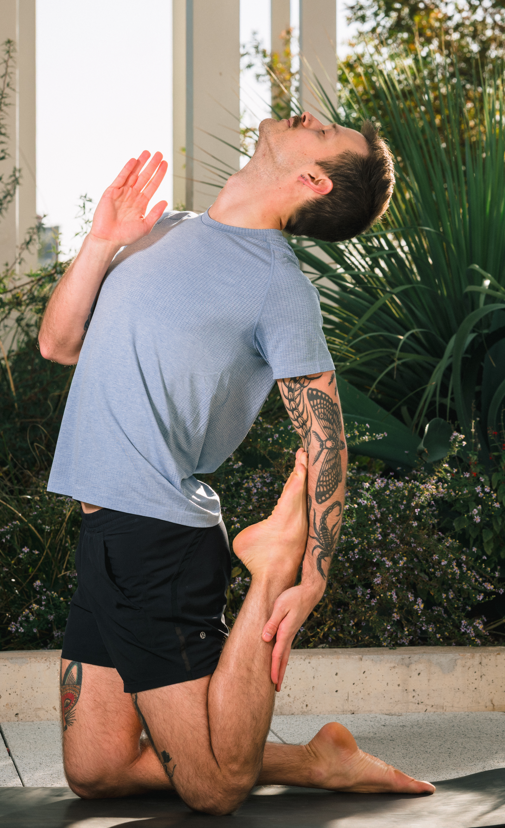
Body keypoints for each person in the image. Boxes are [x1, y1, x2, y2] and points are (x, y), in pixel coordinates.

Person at [39, 112, 434, 814]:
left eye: (323, 131)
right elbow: (60, 345)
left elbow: (326, 435)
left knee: (213, 788)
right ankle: (318, 761)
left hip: (158, 538)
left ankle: (268, 561)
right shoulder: (166, 229)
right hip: (104, 532)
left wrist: (306, 571)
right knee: (97, 771)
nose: (308, 116)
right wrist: (102, 241)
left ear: (310, 180)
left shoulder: (277, 285)